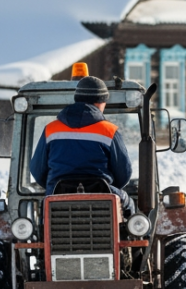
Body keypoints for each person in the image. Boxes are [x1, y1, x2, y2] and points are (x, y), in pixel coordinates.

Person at [29, 72, 136, 216]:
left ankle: (44, 233)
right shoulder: (110, 131)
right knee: (129, 204)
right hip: (103, 199)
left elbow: (37, 170)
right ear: (100, 102)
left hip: (56, 199)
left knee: (45, 206)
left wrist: (55, 187)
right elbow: (124, 173)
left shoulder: (51, 130)